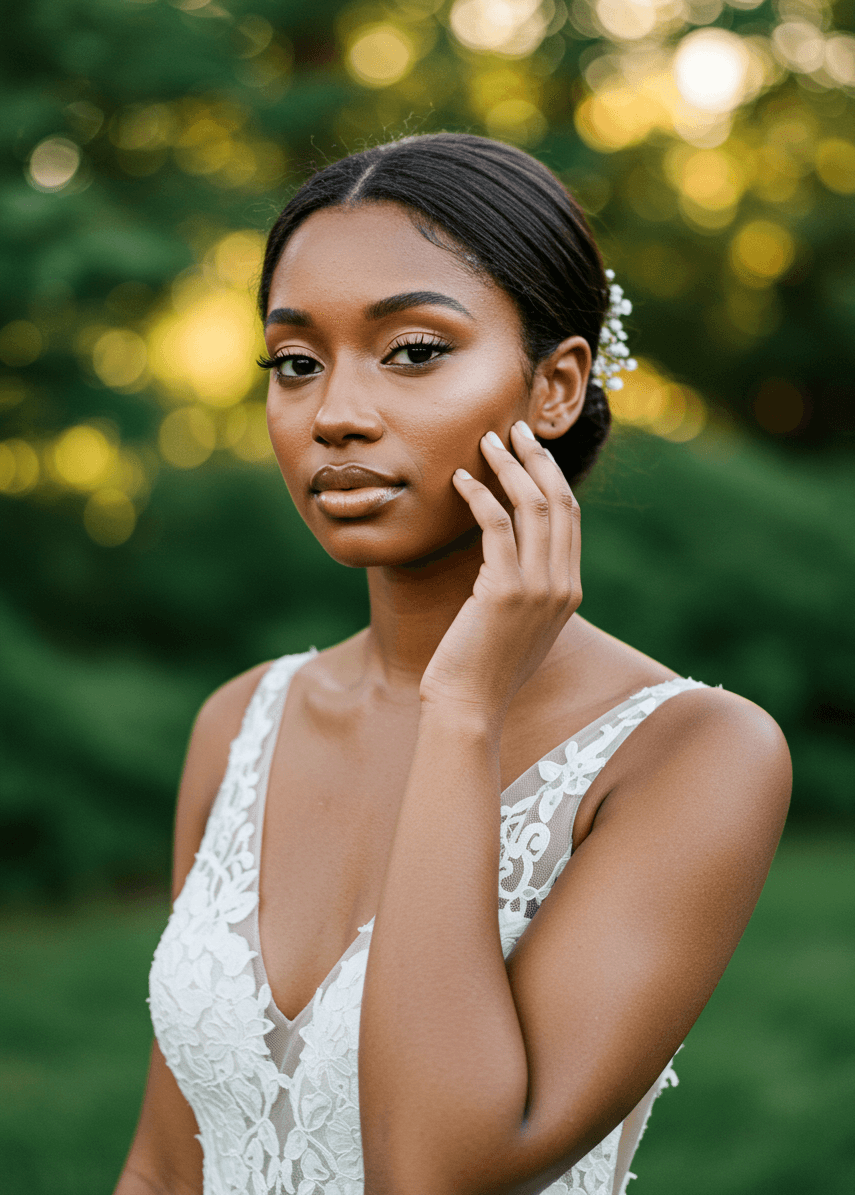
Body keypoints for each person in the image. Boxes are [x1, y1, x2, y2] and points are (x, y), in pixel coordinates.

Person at [115, 133, 791, 1195]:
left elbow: (438, 1168)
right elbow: (163, 1167)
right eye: (295, 362)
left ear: (555, 386)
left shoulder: (693, 754)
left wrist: (464, 706)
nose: (335, 414)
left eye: (414, 350)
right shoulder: (240, 720)